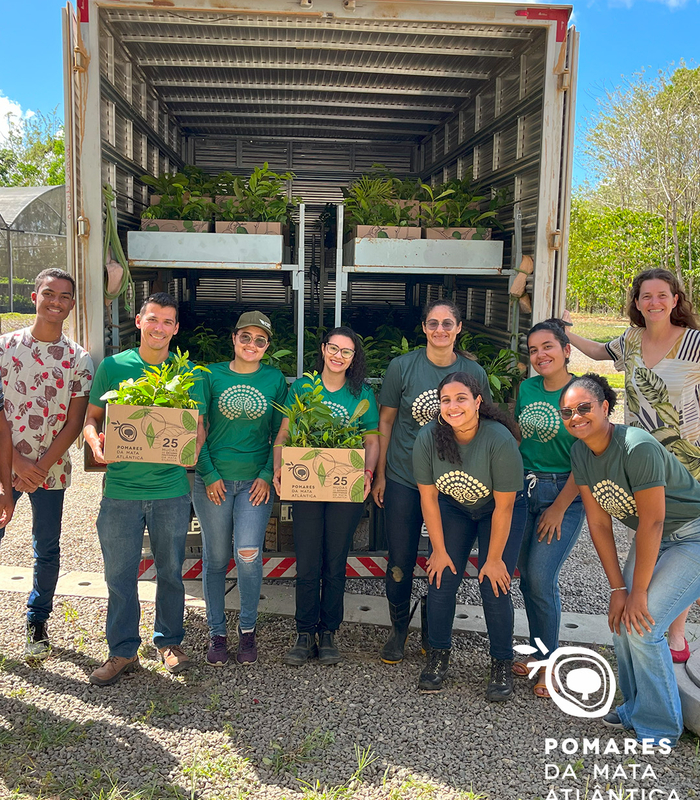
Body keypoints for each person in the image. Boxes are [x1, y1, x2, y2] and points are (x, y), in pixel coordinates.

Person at [563, 268, 700, 663]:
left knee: (677, 533)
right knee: (649, 538)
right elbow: (597, 352)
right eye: (646, 296)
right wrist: (564, 332)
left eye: (662, 295)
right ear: (637, 303)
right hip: (638, 458)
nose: (654, 302)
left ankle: (675, 629)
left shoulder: (693, 342)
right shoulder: (632, 341)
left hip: (686, 459)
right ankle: (651, 617)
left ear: (675, 299)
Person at [562, 373, 700, 747]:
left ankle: (659, 728)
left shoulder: (636, 447)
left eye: (584, 408)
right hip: (653, 536)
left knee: (643, 622)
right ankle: (635, 707)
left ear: (606, 407)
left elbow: (654, 520)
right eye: (567, 412)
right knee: (622, 620)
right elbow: (599, 523)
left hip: (692, 534)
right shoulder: (580, 453)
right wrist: (618, 589)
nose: (576, 417)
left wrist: (638, 592)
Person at [84, 292, 204, 686]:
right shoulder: (114, 367)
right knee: (119, 575)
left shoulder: (187, 374)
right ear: (139, 322)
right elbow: (93, 417)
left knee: (170, 572)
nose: (159, 328)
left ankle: (169, 642)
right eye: (153, 319)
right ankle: (121, 651)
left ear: (176, 329)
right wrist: (95, 442)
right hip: (120, 490)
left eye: (167, 322)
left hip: (170, 490)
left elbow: (197, 427)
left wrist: (194, 447)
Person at [372, 299, 492, 665]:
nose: (440, 330)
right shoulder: (402, 367)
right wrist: (379, 475)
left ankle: (432, 629)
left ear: (458, 329)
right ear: (423, 328)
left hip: (451, 484)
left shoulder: (473, 372)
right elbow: (387, 421)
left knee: (445, 559)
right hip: (405, 478)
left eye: (447, 324)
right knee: (401, 558)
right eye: (433, 323)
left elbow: (482, 427)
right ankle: (397, 630)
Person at [0, 268, 94, 660]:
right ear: (34, 294)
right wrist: (16, 467)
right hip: (3, 464)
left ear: (72, 304)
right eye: (49, 294)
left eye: (65, 297)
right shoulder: (4, 348)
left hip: (51, 471)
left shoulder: (78, 358)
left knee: (47, 548)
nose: (56, 302)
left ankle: (37, 623)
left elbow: (75, 421)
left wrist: (39, 467)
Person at [412, 372, 523, 699]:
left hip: (500, 509)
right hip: (454, 507)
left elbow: (505, 507)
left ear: (477, 402)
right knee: (441, 577)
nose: (452, 406)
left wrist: (492, 560)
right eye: (446, 400)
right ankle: (437, 656)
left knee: (494, 582)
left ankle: (502, 662)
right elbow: (428, 498)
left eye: (461, 398)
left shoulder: (497, 439)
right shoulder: (428, 438)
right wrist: (440, 551)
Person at [273, 327, 379, 665]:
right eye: (334, 348)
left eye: (346, 352)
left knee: (335, 561)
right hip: (307, 484)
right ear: (323, 349)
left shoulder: (361, 392)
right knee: (307, 559)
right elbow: (286, 432)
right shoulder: (304, 387)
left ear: (353, 359)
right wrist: (279, 468)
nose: (338, 356)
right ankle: (304, 633)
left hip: (344, 485)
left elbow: (372, 440)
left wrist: (368, 473)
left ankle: (329, 632)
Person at [192, 311, 287, 667]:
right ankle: (217, 634)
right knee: (215, 559)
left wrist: (267, 473)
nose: (252, 345)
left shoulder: (275, 379)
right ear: (233, 339)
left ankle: (247, 631)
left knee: (248, 556)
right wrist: (209, 472)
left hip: (254, 483)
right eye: (245, 337)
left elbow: (282, 432)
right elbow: (197, 428)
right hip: (212, 480)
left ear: (267, 346)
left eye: (260, 340)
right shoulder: (208, 375)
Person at [510, 320, 584, 697]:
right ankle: (540, 652)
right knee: (526, 578)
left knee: (541, 577)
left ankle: (550, 663)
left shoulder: (580, 394)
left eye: (548, 347)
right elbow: (523, 436)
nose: (540, 355)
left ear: (566, 350)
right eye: (534, 350)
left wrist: (559, 506)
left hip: (563, 493)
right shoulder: (527, 388)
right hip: (525, 489)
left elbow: (586, 459)